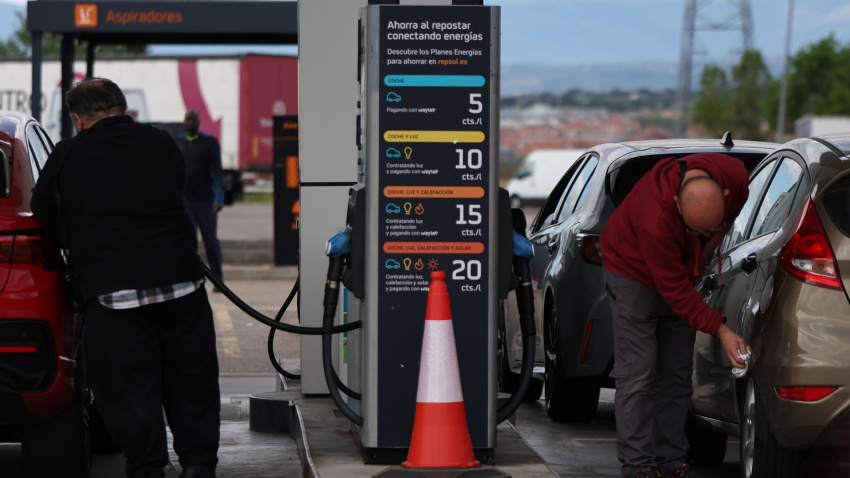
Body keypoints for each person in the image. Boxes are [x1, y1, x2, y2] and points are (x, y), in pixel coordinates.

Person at [31, 78, 220, 478]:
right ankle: (199, 465)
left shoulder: (67, 154)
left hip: (113, 295)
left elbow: (43, 212)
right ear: (122, 108)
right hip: (181, 285)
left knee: (128, 387)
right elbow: (174, 186)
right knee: (192, 379)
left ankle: (148, 467)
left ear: (78, 119)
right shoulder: (161, 143)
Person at [600, 153, 749, 478]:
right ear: (677, 206)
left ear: (725, 195)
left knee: (677, 371)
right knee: (639, 370)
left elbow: (714, 237)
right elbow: (677, 295)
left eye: (708, 228)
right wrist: (722, 331)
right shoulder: (654, 219)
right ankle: (639, 464)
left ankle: (672, 460)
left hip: (676, 267)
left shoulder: (736, 178)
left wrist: (704, 246)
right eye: (694, 229)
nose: (704, 234)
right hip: (631, 270)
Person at [176, 109, 225, 285]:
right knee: (188, 243)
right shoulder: (178, 143)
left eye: (193, 119)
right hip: (185, 202)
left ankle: (218, 279)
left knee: (210, 241)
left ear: (198, 122)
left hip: (206, 201)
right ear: (184, 121)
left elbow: (218, 173)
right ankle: (191, 279)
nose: (190, 122)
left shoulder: (210, 143)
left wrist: (219, 198)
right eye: (187, 119)